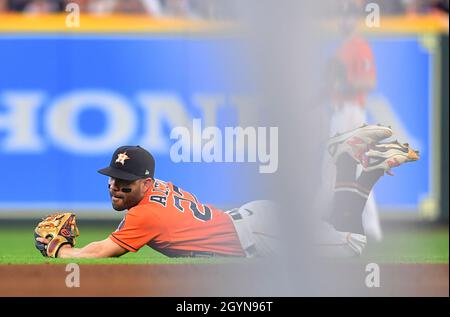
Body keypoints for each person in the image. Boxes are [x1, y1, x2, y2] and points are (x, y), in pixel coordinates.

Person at [35, 125, 419, 259]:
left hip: (261, 235)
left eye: (126, 181)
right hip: (254, 219)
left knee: (353, 245)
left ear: (147, 183)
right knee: (334, 225)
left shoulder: (144, 213)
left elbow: (103, 251)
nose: (116, 187)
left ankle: (346, 163)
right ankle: (368, 170)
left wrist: (62, 251)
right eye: (113, 178)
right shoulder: (155, 192)